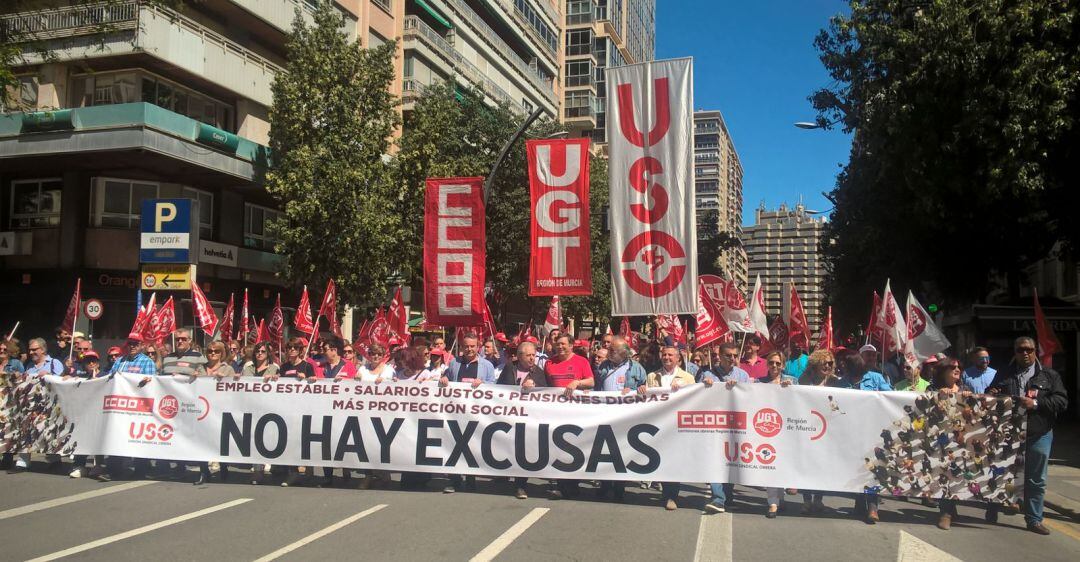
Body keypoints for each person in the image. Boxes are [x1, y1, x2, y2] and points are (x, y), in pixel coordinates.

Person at [988, 336, 1069, 535]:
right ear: (1015, 352)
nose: (1025, 353)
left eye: (1029, 350)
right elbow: (989, 397)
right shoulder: (1004, 373)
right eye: (1020, 350)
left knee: (1036, 479)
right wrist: (992, 393)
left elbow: (1062, 401)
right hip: (1009, 433)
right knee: (1000, 472)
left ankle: (1034, 519)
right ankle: (993, 506)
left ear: (1035, 352)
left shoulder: (1049, 375)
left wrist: (1036, 404)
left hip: (1039, 433)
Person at [639, 345, 697, 511]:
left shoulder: (687, 377)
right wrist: (642, 389)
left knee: (674, 460)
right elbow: (647, 399)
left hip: (677, 424)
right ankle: (665, 493)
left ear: (678, 358)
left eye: (670, 355)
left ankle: (671, 496)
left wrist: (683, 391)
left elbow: (694, 400)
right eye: (664, 355)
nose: (667, 358)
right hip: (658, 424)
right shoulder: (652, 376)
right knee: (661, 459)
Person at [440, 334, 496, 493]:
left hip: (476, 413)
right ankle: (455, 480)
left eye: (472, 346)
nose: (469, 349)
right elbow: (446, 378)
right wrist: (444, 379)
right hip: (456, 411)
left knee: (472, 445)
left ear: (478, 347)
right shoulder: (454, 363)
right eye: (466, 346)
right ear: (462, 347)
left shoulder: (487, 365)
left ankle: (471, 479)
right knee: (454, 445)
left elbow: (494, 386)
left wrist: (484, 383)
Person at [542, 334, 595, 499]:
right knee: (558, 447)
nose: (560, 347)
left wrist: (577, 382)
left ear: (571, 345)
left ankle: (572, 485)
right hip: (556, 413)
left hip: (576, 413)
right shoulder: (549, 363)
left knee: (574, 447)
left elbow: (591, 381)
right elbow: (545, 386)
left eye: (563, 344)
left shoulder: (581, 361)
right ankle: (562, 485)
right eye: (557, 344)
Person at [839, 353, 890, 523]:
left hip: (872, 429)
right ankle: (859, 503)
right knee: (857, 468)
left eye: (845, 364)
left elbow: (891, 397)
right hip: (851, 431)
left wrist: (877, 397)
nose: (842, 367)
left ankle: (873, 506)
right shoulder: (841, 382)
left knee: (872, 467)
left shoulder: (876, 378)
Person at [495, 341, 548, 499]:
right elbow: (499, 388)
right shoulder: (509, 368)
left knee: (522, 450)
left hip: (527, 419)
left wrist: (535, 386)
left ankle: (520, 485)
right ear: (519, 356)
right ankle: (503, 476)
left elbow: (546, 393)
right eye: (528, 355)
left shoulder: (538, 372)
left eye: (534, 355)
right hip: (508, 416)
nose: (532, 358)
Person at [704, 341, 750, 513]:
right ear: (720, 356)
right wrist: (705, 386)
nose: (732, 358)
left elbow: (751, 397)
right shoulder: (708, 374)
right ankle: (718, 498)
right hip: (715, 425)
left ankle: (727, 496)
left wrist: (740, 388)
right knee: (715, 461)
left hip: (735, 425)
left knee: (731, 461)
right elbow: (698, 398)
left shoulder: (743, 375)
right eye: (728, 355)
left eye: (735, 355)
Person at [798, 349, 842, 513]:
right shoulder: (804, 380)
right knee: (806, 465)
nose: (828, 366)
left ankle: (818, 499)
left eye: (830, 363)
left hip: (827, 429)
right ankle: (806, 500)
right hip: (808, 427)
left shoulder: (836, 382)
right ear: (815, 364)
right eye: (824, 363)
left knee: (822, 466)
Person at [756, 350, 796, 517]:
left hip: (786, 430)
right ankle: (772, 502)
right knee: (770, 463)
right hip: (766, 428)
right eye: (771, 362)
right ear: (767, 364)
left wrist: (791, 389)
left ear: (783, 365)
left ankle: (780, 497)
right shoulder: (759, 382)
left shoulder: (793, 381)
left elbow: (799, 401)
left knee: (781, 464)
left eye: (778, 363)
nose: (774, 366)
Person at [194, 341, 237, 485]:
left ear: (221, 353)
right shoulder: (200, 367)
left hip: (220, 408)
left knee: (220, 439)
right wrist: (193, 377)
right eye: (210, 351)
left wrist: (225, 379)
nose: (213, 353)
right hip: (203, 408)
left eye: (216, 351)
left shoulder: (228, 368)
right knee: (201, 440)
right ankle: (203, 471)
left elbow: (235, 388)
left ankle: (224, 467)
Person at [278, 337, 316, 487]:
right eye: (289, 348)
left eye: (295, 348)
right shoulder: (283, 367)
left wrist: (307, 379)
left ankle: (309, 471)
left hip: (304, 407)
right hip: (288, 408)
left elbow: (314, 383)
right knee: (290, 439)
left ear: (300, 350)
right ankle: (293, 472)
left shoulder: (307, 366)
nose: (292, 350)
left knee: (305, 439)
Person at [69, 350, 108, 479]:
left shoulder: (106, 375)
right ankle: (80, 466)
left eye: (93, 361)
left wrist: (96, 380)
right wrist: (68, 378)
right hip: (84, 413)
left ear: (98, 363)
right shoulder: (82, 377)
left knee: (98, 439)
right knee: (81, 438)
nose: (91, 363)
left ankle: (99, 465)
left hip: (100, 412)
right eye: (88, 361)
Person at [0, 339, 25, 471]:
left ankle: (7, 458)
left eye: (5, 349)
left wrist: (15, 375)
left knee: (7, 429)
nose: (2, 351)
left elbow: (24, 379)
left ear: (10, 351)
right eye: (0, 349)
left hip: (9, 402)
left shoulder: (16, 363)